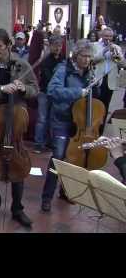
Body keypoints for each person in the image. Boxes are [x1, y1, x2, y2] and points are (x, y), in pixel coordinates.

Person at [0, 28, 39, 228]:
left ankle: (17, 208)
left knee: (17, 164)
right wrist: (1, 89)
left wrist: (23, 89)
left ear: (9, 45)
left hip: (14, 121)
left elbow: (35, 91)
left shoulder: (22, 65)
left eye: (0, 47)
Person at [41, 39, 100, 212]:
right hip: (62, 119)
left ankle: (65, 192)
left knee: (74, 159)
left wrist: (95, 86)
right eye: (84, 56)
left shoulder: (89, 73)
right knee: (58, 157)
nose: (87, 60)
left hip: (80, 123)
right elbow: (52, 91)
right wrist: (77, 93)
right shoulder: (63, 69)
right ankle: (46, 197)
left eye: (89, 57)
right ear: (76, 55)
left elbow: (93, 98)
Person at [33, 36, 65, 153]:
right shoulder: (45, 60)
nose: (58, 48)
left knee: (54, 119)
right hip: (45, 92)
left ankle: (51, 142)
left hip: (57, 94)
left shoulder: (63, 60)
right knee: (42, 118)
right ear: (50, 46)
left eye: (60, 45)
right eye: (55, 45)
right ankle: (38, 143)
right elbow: (48, 78)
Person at [92, 27, 126, 131]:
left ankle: (100, 130)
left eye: (110, 36)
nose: (108, 38)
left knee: (105, 106)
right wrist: (104, 51)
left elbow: (123, 64)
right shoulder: (95, 46)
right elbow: (92, 60)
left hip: (110, 81)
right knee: (96, 105)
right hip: (98, 80)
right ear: (101, 36)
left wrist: (116, 56)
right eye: (106, 36)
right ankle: (93, 127)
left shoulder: (117, 48)